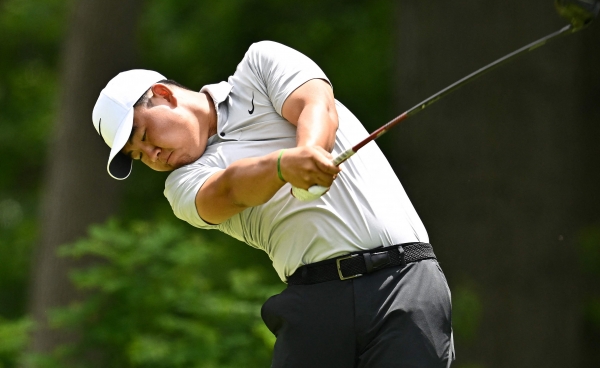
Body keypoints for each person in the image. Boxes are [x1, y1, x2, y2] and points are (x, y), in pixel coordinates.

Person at [92, 41, 454, 367]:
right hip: (315, 303)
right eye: (139, 157)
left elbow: (317, 105)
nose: (152, 155)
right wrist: (283, 167)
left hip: (405, 280)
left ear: (162, 95)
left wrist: (309, 151)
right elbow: (229, 190)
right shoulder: (181, 184)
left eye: (143, 136)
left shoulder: (259, 66)